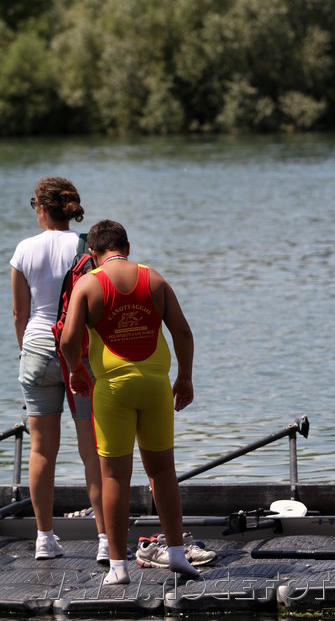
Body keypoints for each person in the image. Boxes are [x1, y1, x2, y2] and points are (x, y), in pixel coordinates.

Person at [60, 219, 200, 585]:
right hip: (155, 387)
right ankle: (177, 554)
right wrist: (184, 377)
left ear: (92, 255)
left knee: (115, 478)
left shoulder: (88, 284)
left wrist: (76, 370)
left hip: (113, 391)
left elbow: (68, 340)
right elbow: (183, 332)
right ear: (127, 246)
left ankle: (119, 568)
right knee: (163, 471)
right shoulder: (154, 279)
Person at [10, 177, 107, 561]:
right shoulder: (88, 247)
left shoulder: (23, 250)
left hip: (35, 349)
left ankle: (44, 539)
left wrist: (29, 352)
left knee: (41, 450)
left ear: (41, 208)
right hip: (79, 352)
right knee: (94, 451)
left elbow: (20, 313)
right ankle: (104, 539)